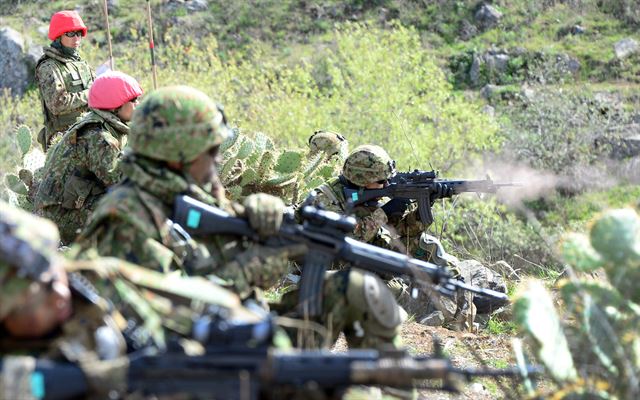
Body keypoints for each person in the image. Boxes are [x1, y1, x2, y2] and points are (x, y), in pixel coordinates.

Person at [75, 86, 405, 350]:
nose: (217, 158)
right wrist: (248, 268)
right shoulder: (126, 218)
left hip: (239, 333)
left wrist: (265, 221)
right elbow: (161, 323)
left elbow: (233, 241)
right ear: (177, 154)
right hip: (199, 362)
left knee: (357, 287)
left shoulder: (190, 193)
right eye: (209, 148)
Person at [0, 201, 255, 398]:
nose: (59, 295)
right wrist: (107, 377)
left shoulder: (96, 278)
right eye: (38, 293)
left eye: (53, 273)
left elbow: (202, 304)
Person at [304, 144, 507, 330]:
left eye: (388, 179)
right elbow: (344, 242)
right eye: (381, 181)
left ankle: (463, 305)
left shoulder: (367, 193)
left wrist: (423, 206)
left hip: (371, 257)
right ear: (361, 179)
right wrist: (385, 211)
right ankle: (435, 314)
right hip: (334, 269)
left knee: (429, 246)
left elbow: (401, 233)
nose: (387, 184)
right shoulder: (325, 199)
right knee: (406, 296)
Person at [34, 71, 142, 245]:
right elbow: (119, 180)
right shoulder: (97, 135)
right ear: (116, 104)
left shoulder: (101, 124)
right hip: (58, 219)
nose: (138, 104)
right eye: (133, 100)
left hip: (68, 208)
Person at [35, 10, 95, 150]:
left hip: (89, 132)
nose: (76, 39)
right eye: (70, 34)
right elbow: (58, 104)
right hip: (64, 141)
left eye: (79, 34)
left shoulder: (81, 64)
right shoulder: (49, 67)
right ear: (58, 36)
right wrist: (91, 94)